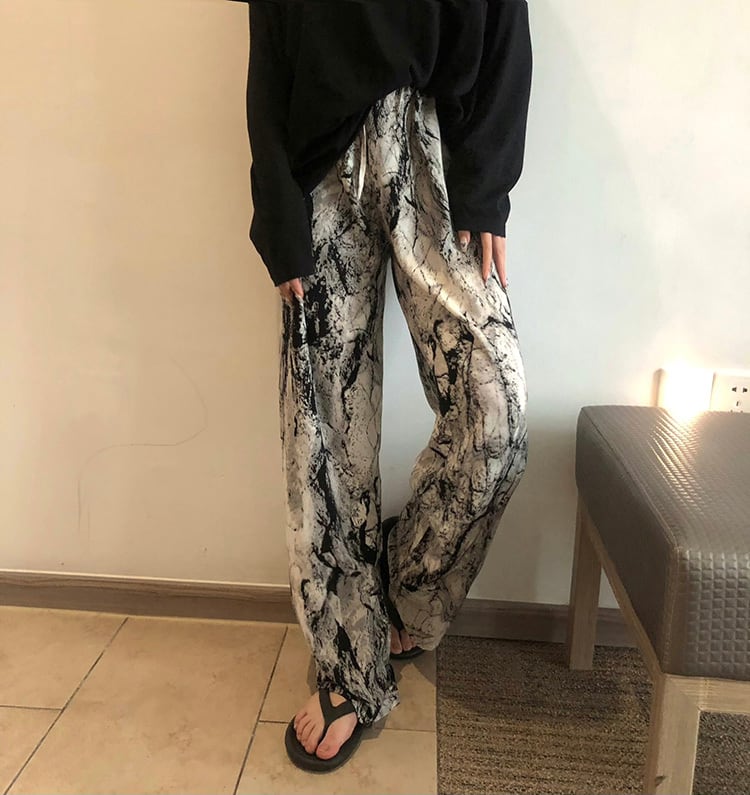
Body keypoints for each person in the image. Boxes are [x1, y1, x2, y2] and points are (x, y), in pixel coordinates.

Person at [245, 0, 533, 773]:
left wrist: (488, 183)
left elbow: (506, 22)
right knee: (326, 435)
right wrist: (276, 207)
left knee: (495, 411)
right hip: (318, 164)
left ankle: (399, 589)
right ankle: (350, 662)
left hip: (437, 150)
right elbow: (268, 46)